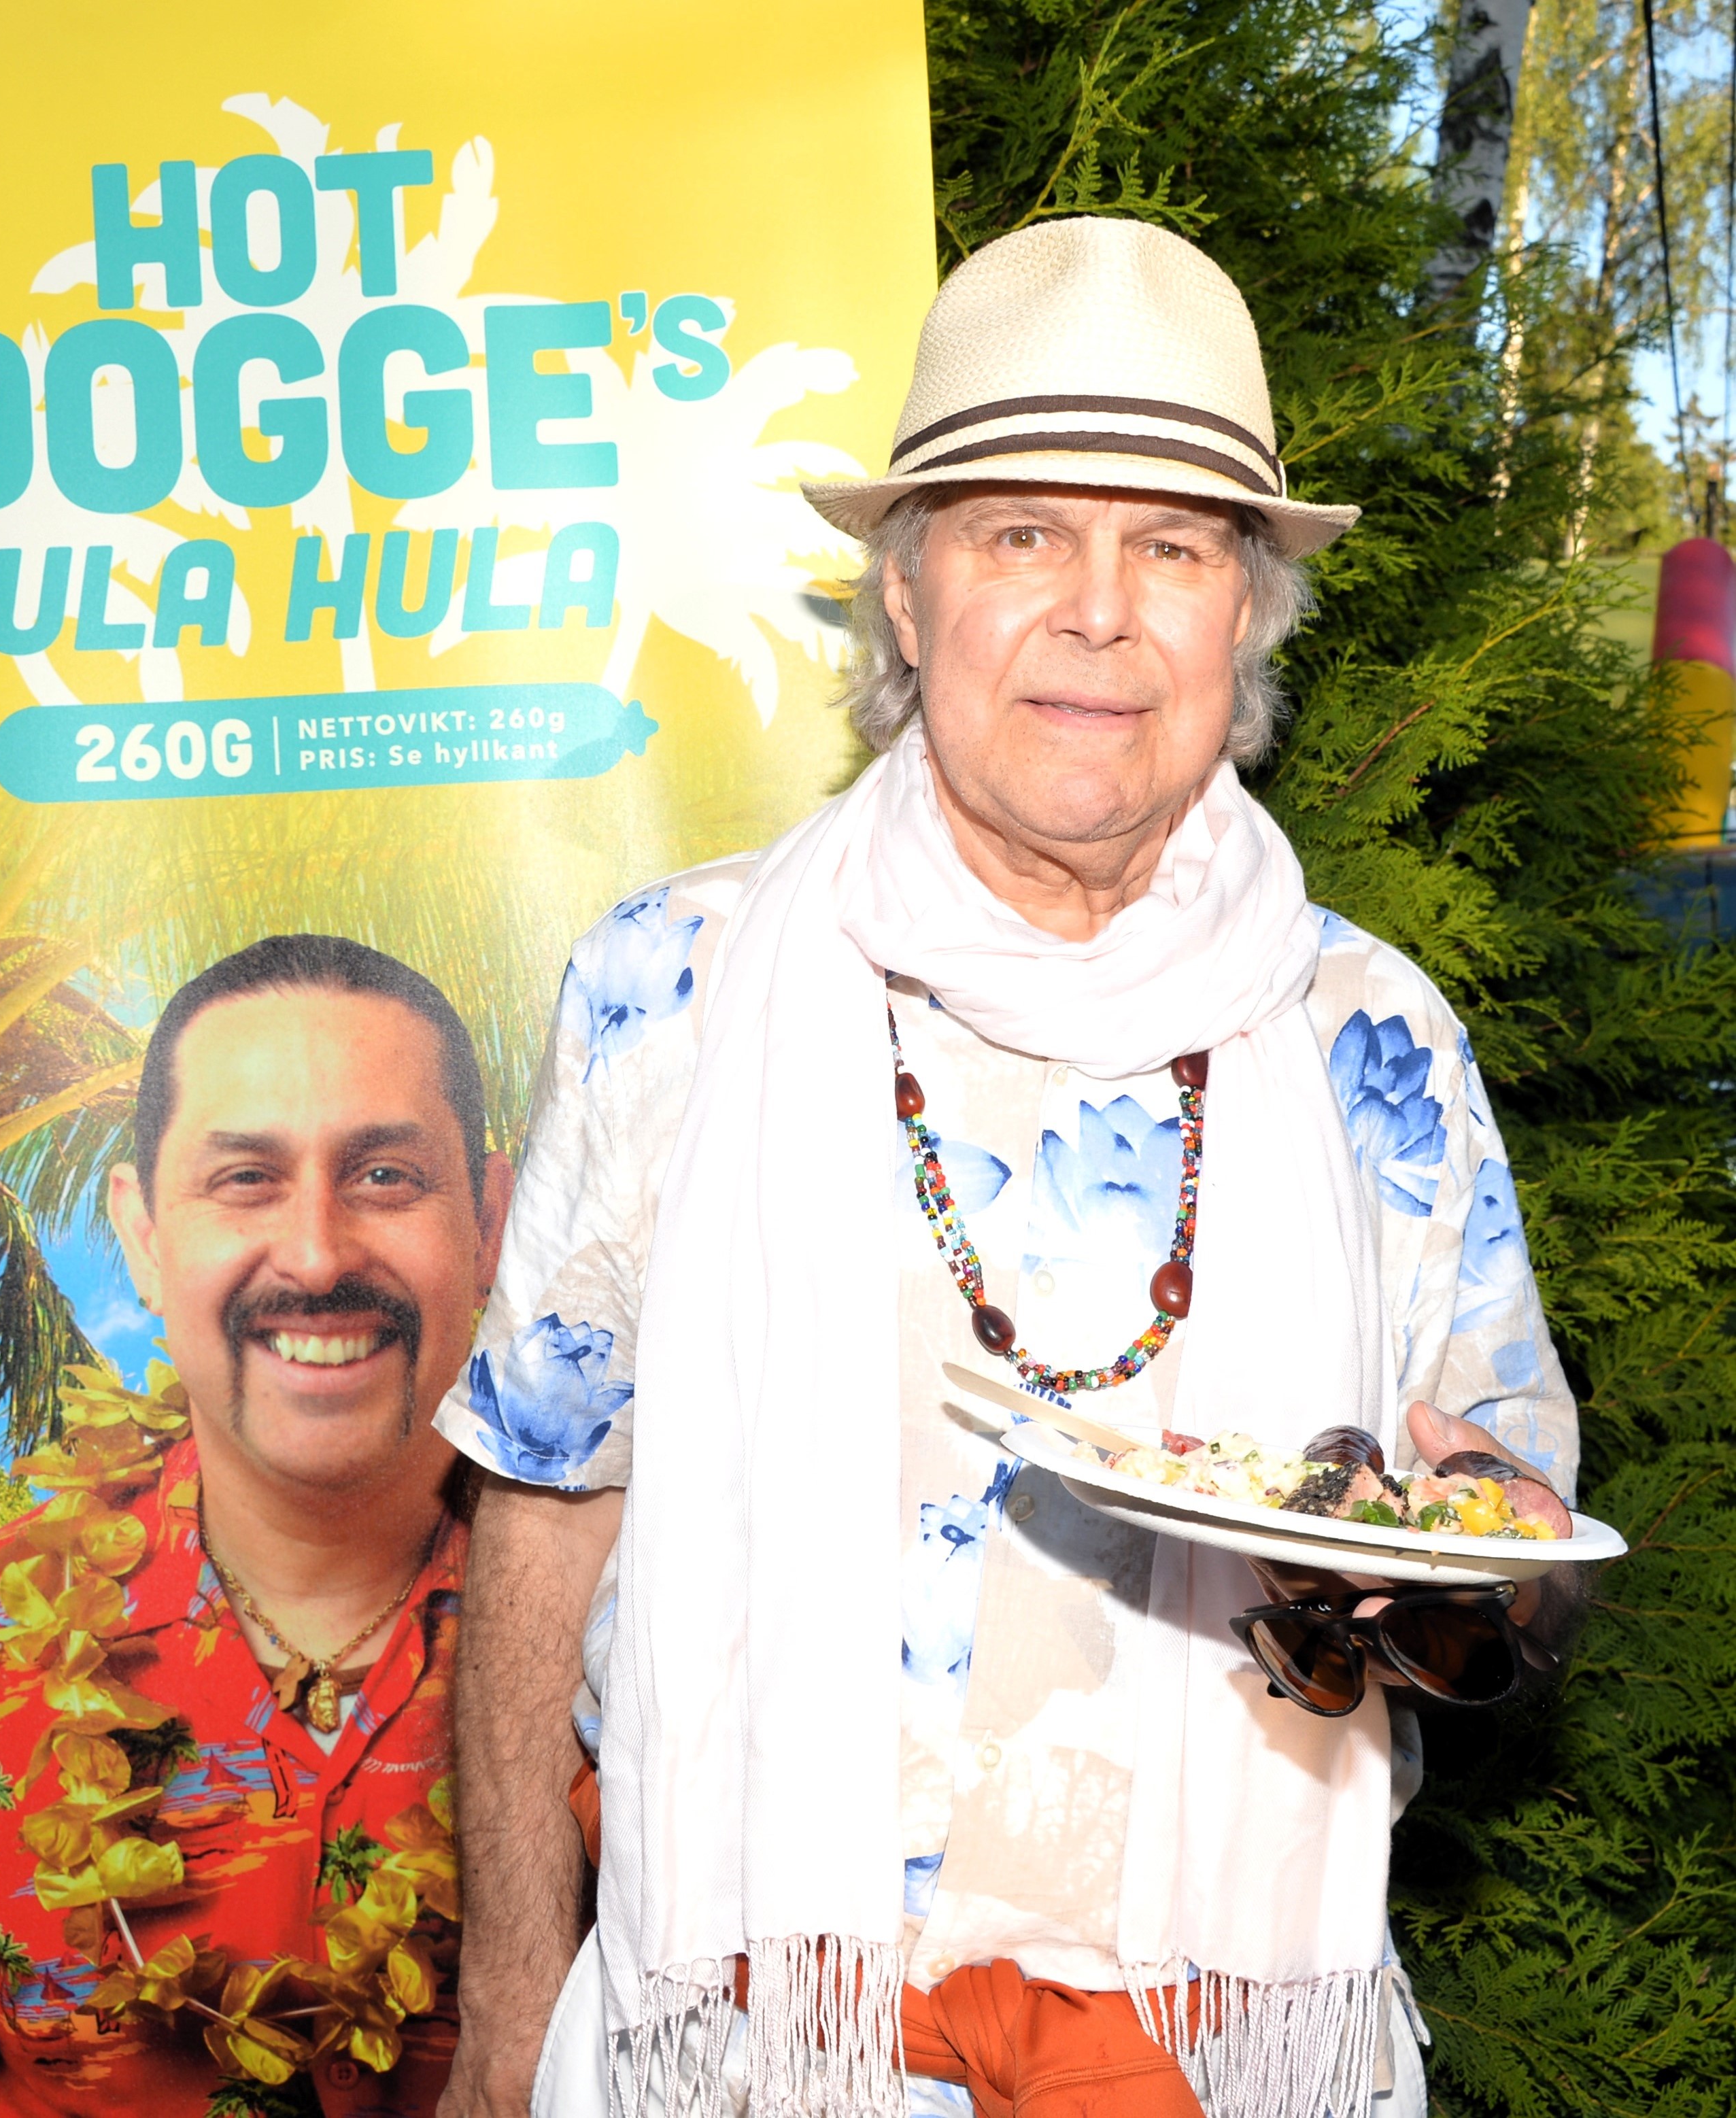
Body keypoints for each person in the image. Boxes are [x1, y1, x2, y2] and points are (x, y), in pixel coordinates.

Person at [431, 218, 1584, 2118]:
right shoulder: (677, 985)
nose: (1099, 613)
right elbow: (547, 1504)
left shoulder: (1372, 1040)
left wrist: (1475, 1570)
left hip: (1221, 2068)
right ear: (905, 596)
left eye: (1174, 548)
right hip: (739, 2060)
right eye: (1023, 534)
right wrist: (499, 2006)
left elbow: (1505, 1562)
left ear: (1246, 619)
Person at [0, 934, 513, 2117]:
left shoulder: (635, 1632)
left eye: (385, 1175)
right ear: (140, 1233)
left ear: (488, 1220)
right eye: (246, 1179)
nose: (317, 1254)